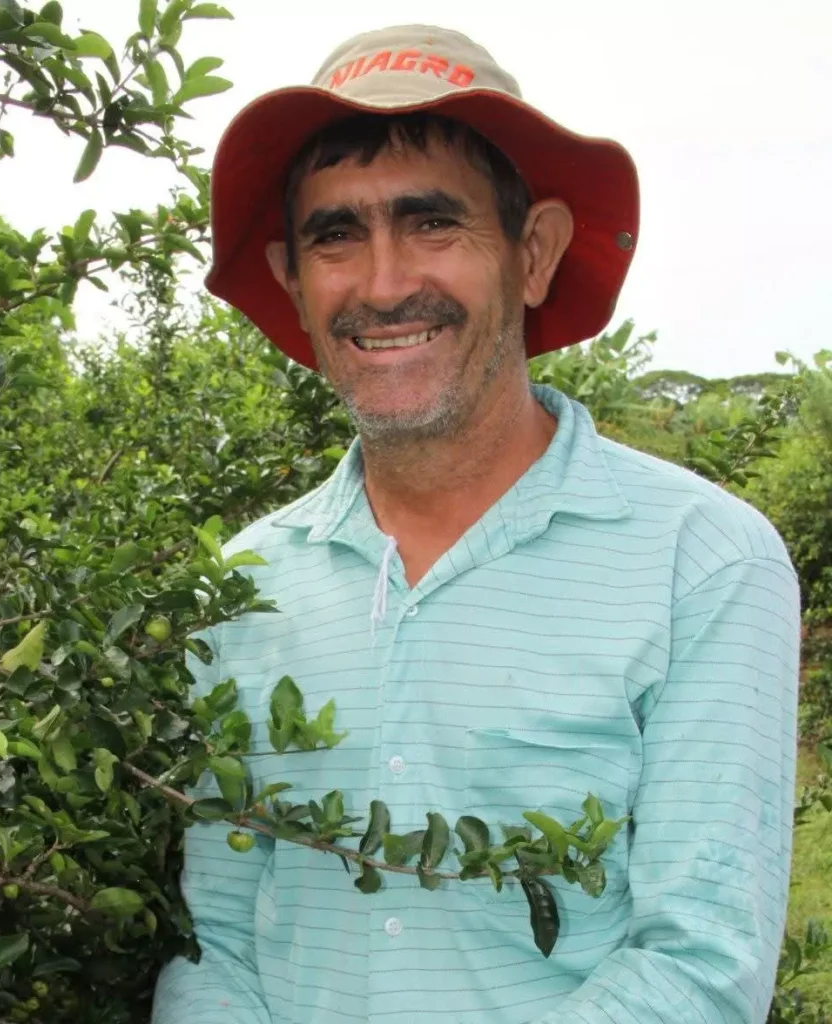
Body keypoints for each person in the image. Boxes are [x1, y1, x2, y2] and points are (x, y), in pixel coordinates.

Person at [152, 23, 800, 1024]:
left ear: (531, 253)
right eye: (336, 234)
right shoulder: (240, 587)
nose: (380, 283)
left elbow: (698, 962)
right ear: (290, 274)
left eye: (432, 223)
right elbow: (218, 944)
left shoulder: (700, 561)